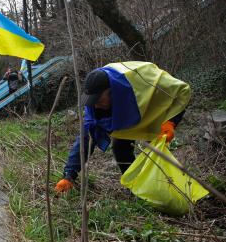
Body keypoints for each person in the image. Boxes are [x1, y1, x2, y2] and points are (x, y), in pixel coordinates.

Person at [55, 62, 191, 192]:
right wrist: (69, 175)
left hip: (150, 109)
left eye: (99, 100)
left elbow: (180, 92)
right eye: (92, 101)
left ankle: (166, 187)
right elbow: (86, 138)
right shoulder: (94, 108)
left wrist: (171, 122)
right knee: (120, 148)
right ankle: (136, 187)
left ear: (111, 91)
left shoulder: (147, 82)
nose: (95, 105)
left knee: (155, 155)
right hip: (123, 116)